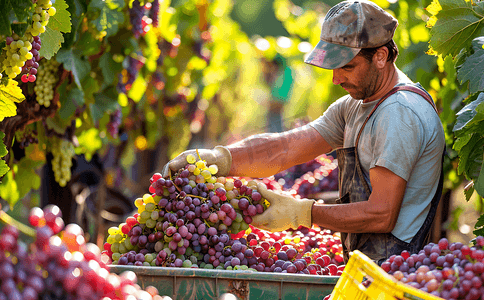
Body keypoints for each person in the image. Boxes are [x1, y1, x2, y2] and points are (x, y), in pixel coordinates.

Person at [162, 0, 445, 264]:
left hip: (393, 274)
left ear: (381, 56)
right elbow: (287, 147)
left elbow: (381, 214)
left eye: (347, 67)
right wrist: (221, 158)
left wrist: (303, 213)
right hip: (366, 267)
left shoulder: (400, 113)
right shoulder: (355, 106)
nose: (336, 78)